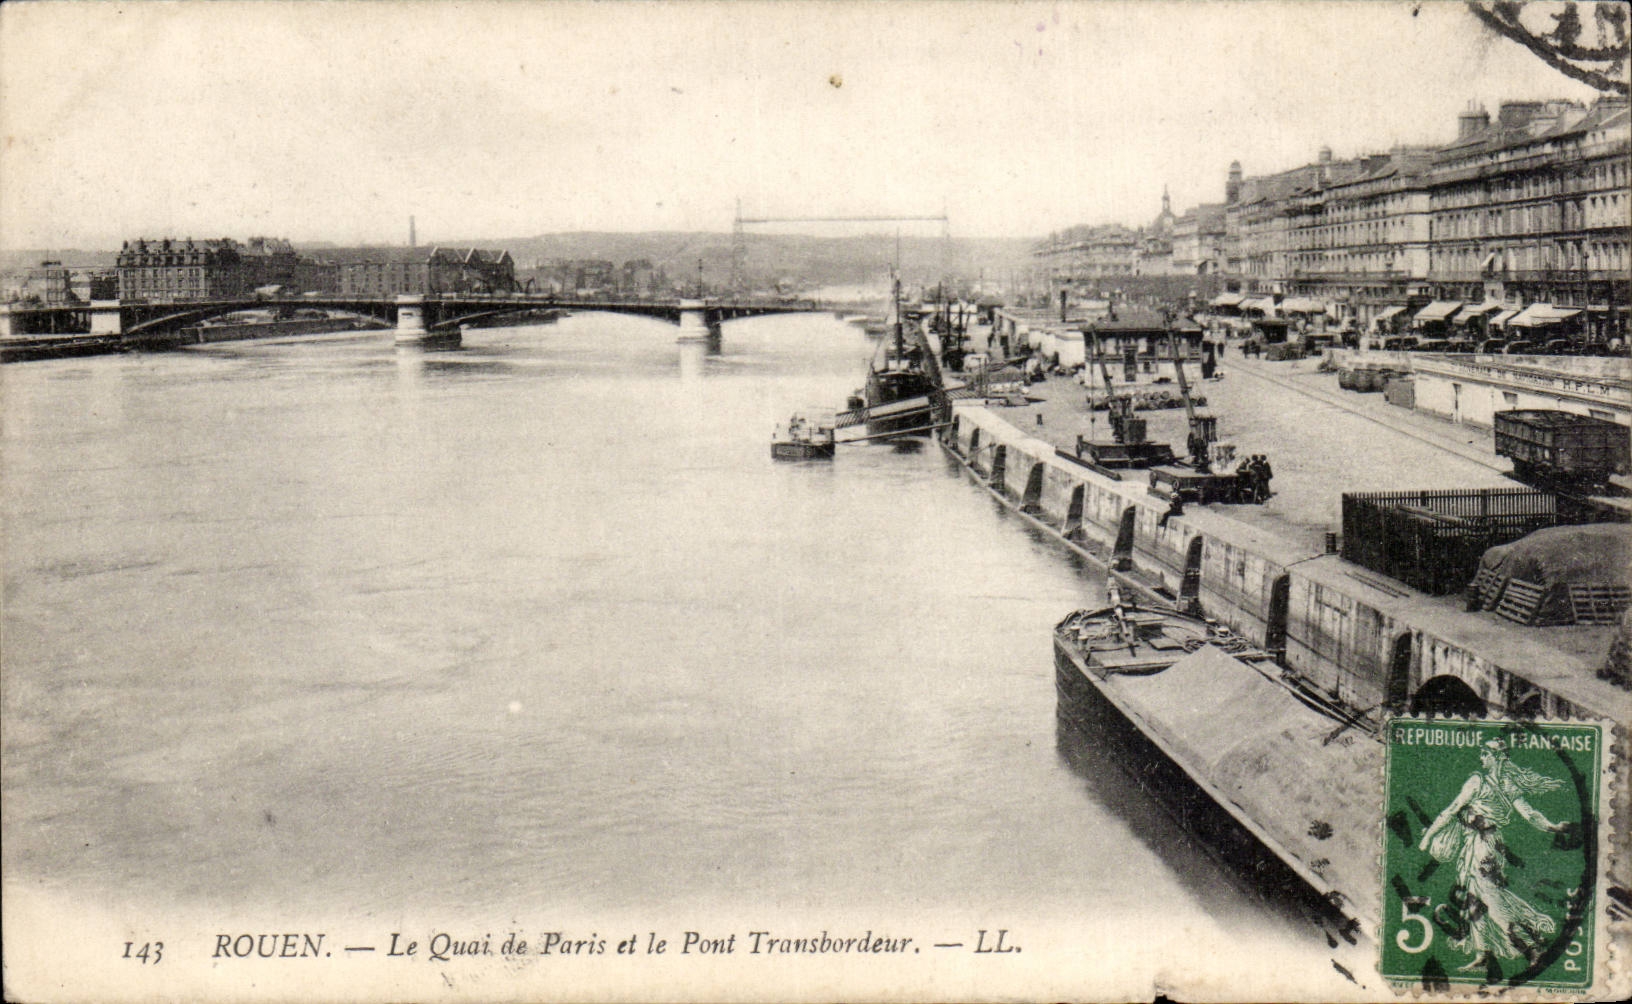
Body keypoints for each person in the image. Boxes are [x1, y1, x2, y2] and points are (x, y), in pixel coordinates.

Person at [1417, 738, 1569, 969]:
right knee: (1472, 897)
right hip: (1479, 844)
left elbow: (1453, 809)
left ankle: (1531, 948)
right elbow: (1529, 814)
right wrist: (1553, 826)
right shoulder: (1500, 784)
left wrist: (1428, 837)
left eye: (1485, 754)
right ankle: (1483, 953)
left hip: (1483, 846)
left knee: (1490, 899)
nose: (1481, 758)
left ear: (1498, 757)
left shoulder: (1484, 782)